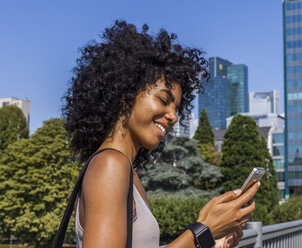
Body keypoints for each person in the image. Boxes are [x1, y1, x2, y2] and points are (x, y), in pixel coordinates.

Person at [62, 20, 260, 248]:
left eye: (177, 108)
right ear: (125, 95)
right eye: (164, 100)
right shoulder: (110, 165)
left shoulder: (126, 171)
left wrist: (209, 241)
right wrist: (202, 231)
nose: (174, 117)